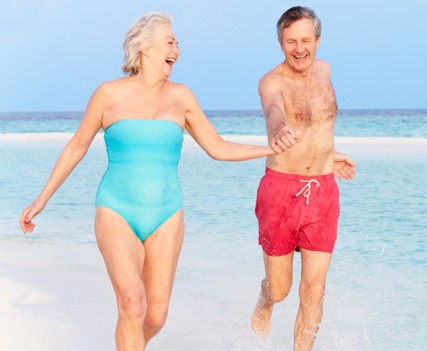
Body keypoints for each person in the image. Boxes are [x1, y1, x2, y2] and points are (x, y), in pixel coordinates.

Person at [19, 12, 285, 351]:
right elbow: (76, 147)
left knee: (155, 317)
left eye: (177, 43)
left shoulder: (182, 97)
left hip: (167, 214)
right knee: (131, 303)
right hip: (116, 209)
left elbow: (217, 148)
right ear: (144, 47)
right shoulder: (108, 94)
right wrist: (41, 201)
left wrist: (269, 149)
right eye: (170, 41)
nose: (177, 49)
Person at [250, 6, 356, 351]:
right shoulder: (271, 81)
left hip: (324, 191)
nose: (299, 49)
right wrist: (278, 127)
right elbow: (274, 108)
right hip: (281, 192)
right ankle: (265, 299)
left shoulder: (324, 71)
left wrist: (329, 154)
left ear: (318, 41)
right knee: (281, 289)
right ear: (280, 43)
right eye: (291, 41)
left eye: (306, 40)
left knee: (314, 289)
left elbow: (318, 122)